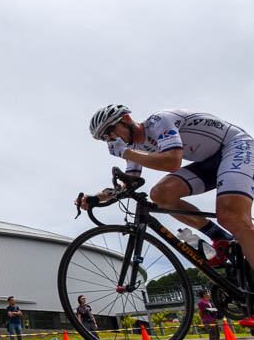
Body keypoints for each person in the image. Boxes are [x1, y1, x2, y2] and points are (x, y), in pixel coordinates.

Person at [83, 104, 254, 327]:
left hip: (236, 146)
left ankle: (232, 235)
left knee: (231, 215)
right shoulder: (134, 148)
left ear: (126, 119)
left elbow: (172, 162)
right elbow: (128, 184)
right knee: (161, 194)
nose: (109, 138)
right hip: (210, 161)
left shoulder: (158, 122)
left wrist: (125, 152)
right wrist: (95, 198)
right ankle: (220, 238)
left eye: (110, 130)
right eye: (104, 137)